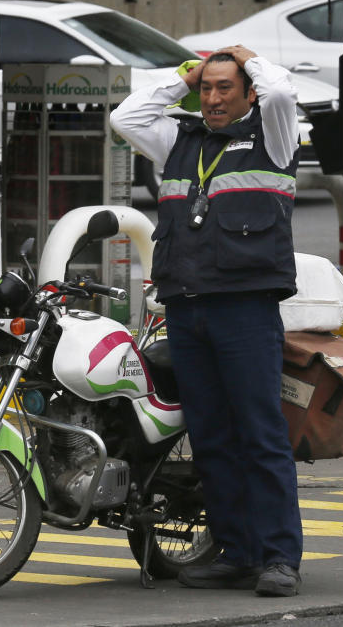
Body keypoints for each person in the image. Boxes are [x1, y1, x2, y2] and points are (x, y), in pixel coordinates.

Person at [110, 45, 303, 597]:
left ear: (248, 93)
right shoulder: (178, 140)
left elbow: (283, 91)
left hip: (244, 308)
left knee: (260, 435)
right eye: (208, 89)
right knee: (212, 437)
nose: (214, 99)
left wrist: (250, 57)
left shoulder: (275, 133)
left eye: (226, 88)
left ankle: (279, 558)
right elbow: (126, 117)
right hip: (187, 308)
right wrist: (182, 76)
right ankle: (236, 552)